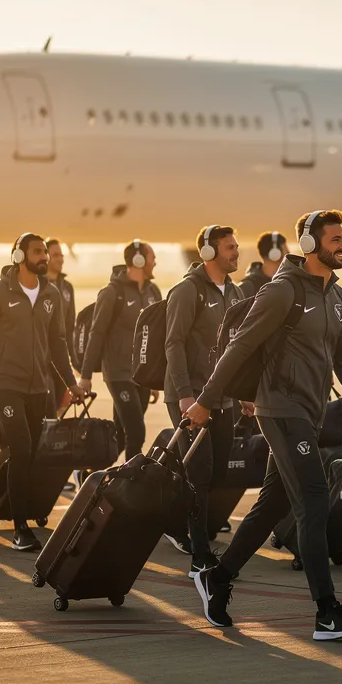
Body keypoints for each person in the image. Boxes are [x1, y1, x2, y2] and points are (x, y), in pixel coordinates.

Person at [187, 209, 342, 642]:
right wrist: (206, 401)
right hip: (280, 410)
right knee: (314, 501)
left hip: (309, 413)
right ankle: (326, 613)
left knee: (271, 505)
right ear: (309, 244)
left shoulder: (336, 296)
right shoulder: (282, 291)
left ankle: (217, 578)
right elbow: (240, 348)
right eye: (335, 239)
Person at [0, 233, 83, 551]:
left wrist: (70, 382)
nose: (44, 257)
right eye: (38, 252)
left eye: (45, 252)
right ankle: (20, 528)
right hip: (5, 384)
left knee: (26, 453)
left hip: (38, 386)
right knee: (21, 446)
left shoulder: (51, 294)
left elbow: (57, 344)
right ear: (19, 256)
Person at [164, 225, 244, 575]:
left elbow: (239, 346)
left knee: (220, 471)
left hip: (223, 397)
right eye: (229, 247)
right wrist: (184, 394)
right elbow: (173, 343)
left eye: (236, 246)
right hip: (190, 396)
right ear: (209, 252)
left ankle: (173, 521)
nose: (236, 252)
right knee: (200, 473)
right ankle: (199, 553)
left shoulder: (237, 292)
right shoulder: (187, 291)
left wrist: (245, 393)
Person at [78, 240, 162, 461]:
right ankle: (132, 480)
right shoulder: (112, 293)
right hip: (118, 374)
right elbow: (96, 334)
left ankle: (89, 474)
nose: (155, 262)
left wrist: (155, 378)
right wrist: (85, 376)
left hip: (142, 374)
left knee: (121, 437)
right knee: (136, 432)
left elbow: (156, 335)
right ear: (138, 260)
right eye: (152, 257)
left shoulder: (153, 292)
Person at [45, 238, 79, 412]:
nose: (60, 259)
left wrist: (75, 360)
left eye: (61, 255)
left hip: (61, 359)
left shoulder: (67, 288)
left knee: (60, 408)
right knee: (48, 407)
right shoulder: (37, 285)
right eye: (55, 255)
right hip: (42, 360)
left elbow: (70, 326)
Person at [239, 231, 289, 296]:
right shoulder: (247, 287)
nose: (288, 254)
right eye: (286, 251)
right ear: (275, 254)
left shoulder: (287, 282)